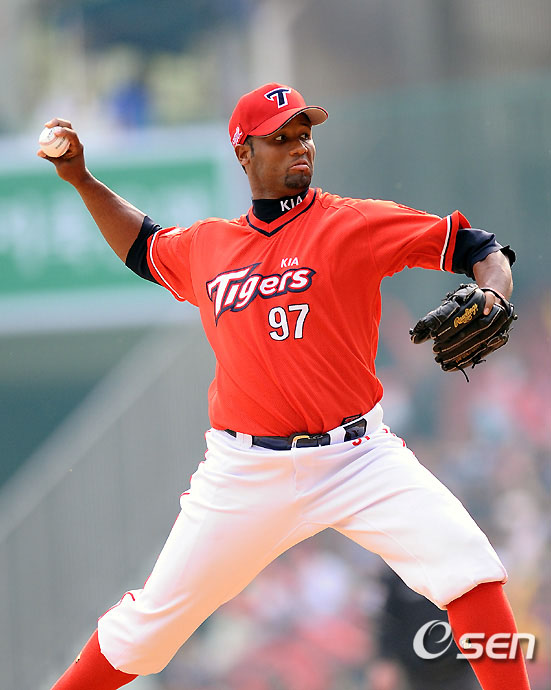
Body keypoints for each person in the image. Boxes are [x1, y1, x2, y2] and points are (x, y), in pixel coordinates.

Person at [40, 83, 531, 690]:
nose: (300, 147)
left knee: (469, 567)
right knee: (146, 631)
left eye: (304, 135)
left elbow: (480, 247)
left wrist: (494, 291)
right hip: (245, 470)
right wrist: (81, 180)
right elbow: (143, 245)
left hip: (358, 457)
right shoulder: (209, 245)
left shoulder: (352, 222)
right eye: (281, 137)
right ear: (244, 152)